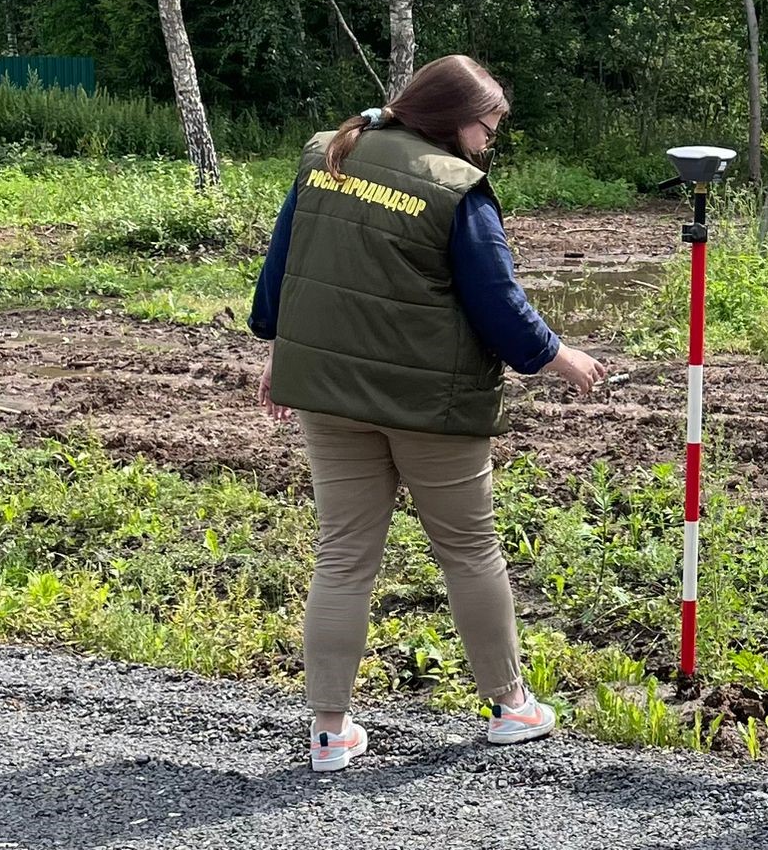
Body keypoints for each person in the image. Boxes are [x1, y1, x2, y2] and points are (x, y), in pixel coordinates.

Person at [249, 54, 606, 772]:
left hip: (327, 396)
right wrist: (561, 358)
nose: (489, 143)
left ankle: (328, 733)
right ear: (453, 119)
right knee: (469, 551)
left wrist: (281, 357)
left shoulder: (330, 153)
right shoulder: (457, 190)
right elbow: (499, 306)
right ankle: (511, 708)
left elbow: (284, 268)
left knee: (343, 555)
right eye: (488, 128)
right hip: (430, 409)